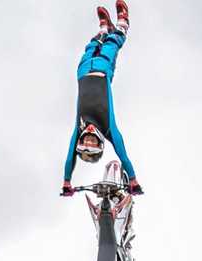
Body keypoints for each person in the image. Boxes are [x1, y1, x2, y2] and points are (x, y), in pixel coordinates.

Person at [61, 2, 143, 198]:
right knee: (110, 47)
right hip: (101, 71)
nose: (88, 135)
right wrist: (132, 179)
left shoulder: (79, 128)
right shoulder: (108, 128)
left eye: (85, 139)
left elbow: (69, 159)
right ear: (100, 142)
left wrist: (67, 182)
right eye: (92, 140)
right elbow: (123, 154)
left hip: (83, 71)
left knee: (91, 47)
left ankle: (104, 27)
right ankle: (123, 23)